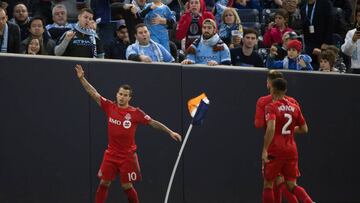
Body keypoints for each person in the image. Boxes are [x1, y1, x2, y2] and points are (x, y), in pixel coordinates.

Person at [74, 64, 182, 203]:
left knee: (127, 186)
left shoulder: (135, 113)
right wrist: (82, 79)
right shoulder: (110, 107)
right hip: (111, 154)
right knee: (104, 183)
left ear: (129, 98)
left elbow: (153, 122)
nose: (121, 97)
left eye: (125, 95)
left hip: (127, 156)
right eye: (120, 94)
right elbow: (93, 93)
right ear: (116, 94)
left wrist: (170, 132)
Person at [262, 77, 314, 203]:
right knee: (291, 185)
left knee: (268, 183)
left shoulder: (271, 106)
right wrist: (290, 130)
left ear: (273, 90)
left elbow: (271, 128)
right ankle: (309, 201)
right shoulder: (294, 107)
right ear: (285, 91)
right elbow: (304, 129)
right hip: (291, 149)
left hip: (276, 149)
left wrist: (264, 149)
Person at [255, 70, 300, 203]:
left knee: (269, 182)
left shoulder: (264, 102)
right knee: (288, 183)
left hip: (273, 146)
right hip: (290, 146)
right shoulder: (293, 102)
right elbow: (302, 126)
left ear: (269, 84)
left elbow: (258, 124)